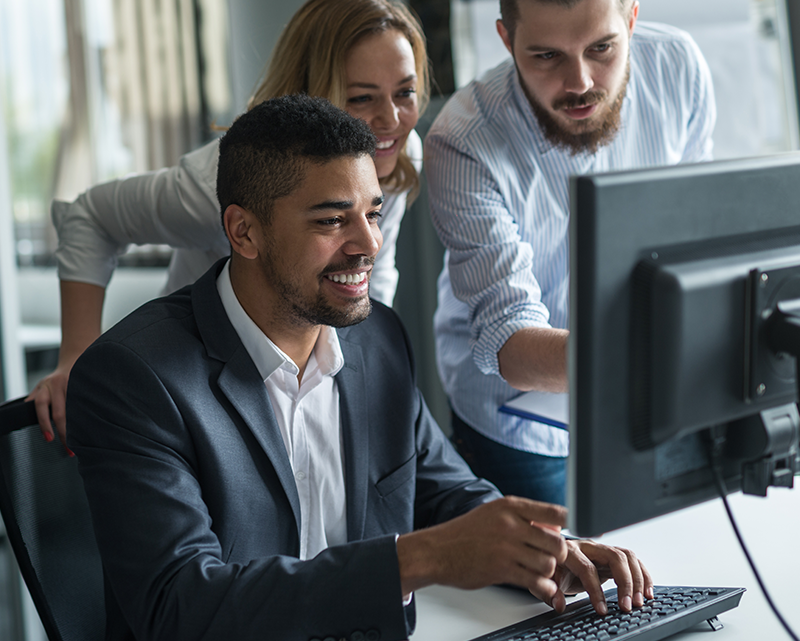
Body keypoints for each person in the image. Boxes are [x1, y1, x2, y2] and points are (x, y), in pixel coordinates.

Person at [66, 95, 652, 641]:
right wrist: (419, 559)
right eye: (331, 221)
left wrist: (545, 548)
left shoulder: (377, 338)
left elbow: (443, 491)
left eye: (372, 213)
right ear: (244, 231)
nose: (367, 243)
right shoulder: (136, 378)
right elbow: (179, 606)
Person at [30, 0, 429, 446]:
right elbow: (91, 216)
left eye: (406, 93)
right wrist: (75, 358)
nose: (392, 119)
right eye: (362, 99)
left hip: (300, 371)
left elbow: (369, 285)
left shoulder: (394, 154)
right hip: (198, 376)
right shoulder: (221, 183)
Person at [424, 0, 717, 505]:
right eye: (547, 56)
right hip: (520, 427)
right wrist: (663, 350)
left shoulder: (678, 68)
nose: (580, 81)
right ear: (507, 41)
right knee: (549, 596)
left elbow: (697, 235)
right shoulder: (463, 141)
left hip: (656, 394)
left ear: (631, 21)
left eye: (602, 48)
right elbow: (512, 343)